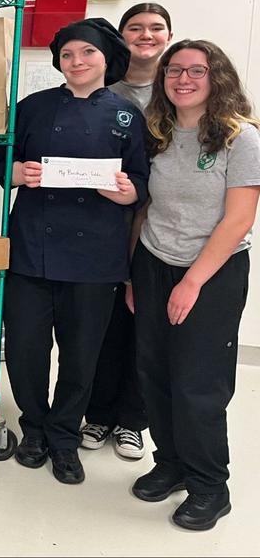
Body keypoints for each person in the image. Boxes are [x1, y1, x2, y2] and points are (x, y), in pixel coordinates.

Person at [0, 18, 150, 486]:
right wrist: (18, 173)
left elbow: (140, 180)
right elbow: (2, 163)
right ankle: (34, 427)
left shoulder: (126, 115)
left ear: (106, 59)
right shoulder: (32, 107)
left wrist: (126, 192)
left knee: (82, 356)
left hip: (95, 256)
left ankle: (64, 437)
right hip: (31, 250)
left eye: (87, 54)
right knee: (25, 350)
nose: (76, 62)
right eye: (67, 55)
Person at [129, 39, 260, 530]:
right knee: (154, 373)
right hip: (153, 262)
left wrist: (191, 284)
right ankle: (172, 464)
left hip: (212, 272)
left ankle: (210, 485)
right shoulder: (156, 131)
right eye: (174, 71)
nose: (183, 79)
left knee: (197, 384)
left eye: (196, 71)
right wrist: (133, 276)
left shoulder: (239, 138)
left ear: (216, 78)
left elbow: (238, 220)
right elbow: (145, 207)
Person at [81, 2, 173, 459]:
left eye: (156, 28)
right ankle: (96, 414)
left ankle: (133, 421)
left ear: (169, 36)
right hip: (109, 225)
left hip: (161, 227)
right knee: (104, 324)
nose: (146, 35)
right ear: (121, 37)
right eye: (135, 27)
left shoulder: (177, 88)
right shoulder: (104, 90)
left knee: (144, 327)